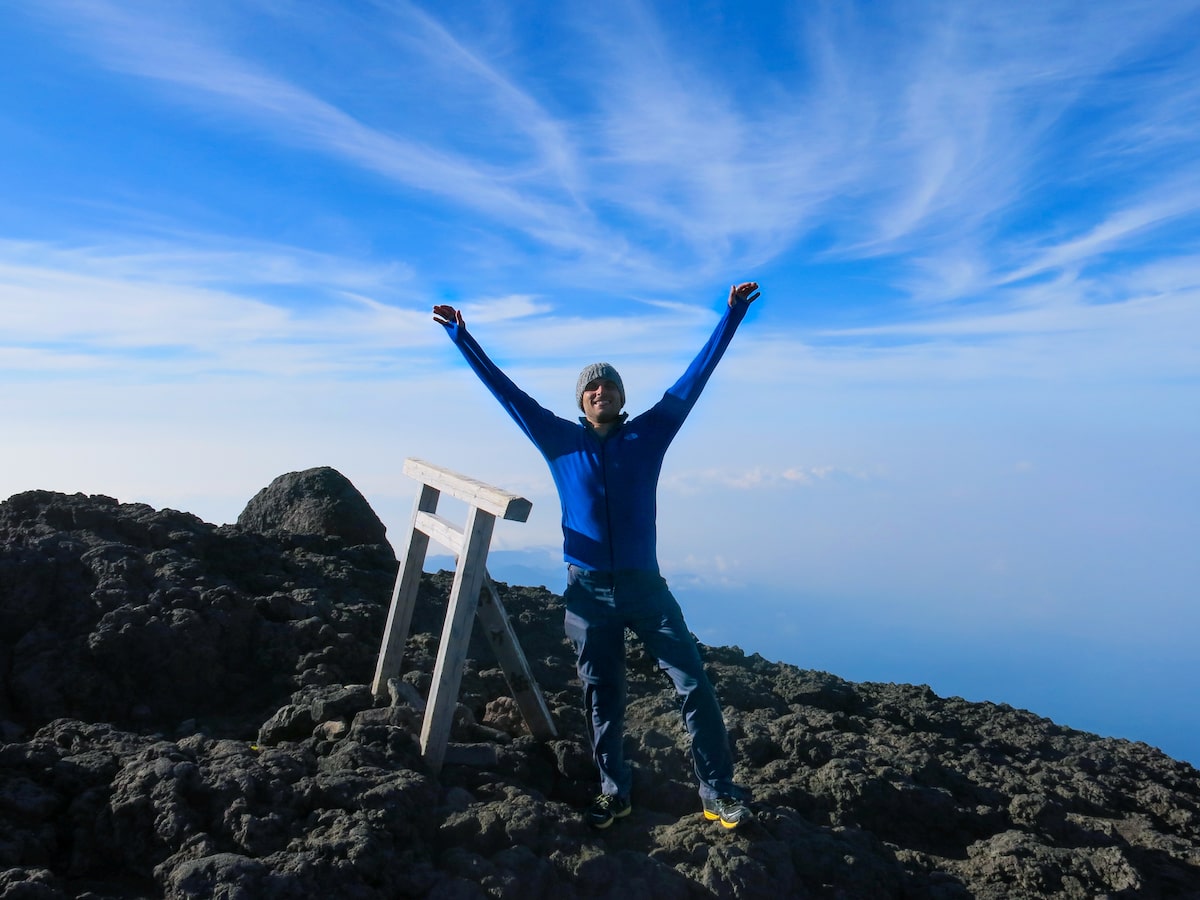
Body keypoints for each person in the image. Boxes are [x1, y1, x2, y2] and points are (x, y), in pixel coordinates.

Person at [432, 281, 761, 830]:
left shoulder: (651, 433)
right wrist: (464, 339)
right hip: (587, 591)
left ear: (622, 397)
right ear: (581, 400)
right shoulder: (559, 440)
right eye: (591, 387)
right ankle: (614, 791)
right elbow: (509, 394)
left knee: (694, 684)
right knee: (602, 696)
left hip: (645, 587)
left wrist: (730, 317)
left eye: (608, 385)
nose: (600, 390)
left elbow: (693, 381)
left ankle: (718, 791)